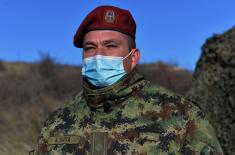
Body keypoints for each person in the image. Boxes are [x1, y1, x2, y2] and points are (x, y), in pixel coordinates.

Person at [30, 5, 223, 155]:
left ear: (133, 57)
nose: (99, 55)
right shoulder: (57, 122)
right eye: (90, 48)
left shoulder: (181, 115)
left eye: (110, 45)